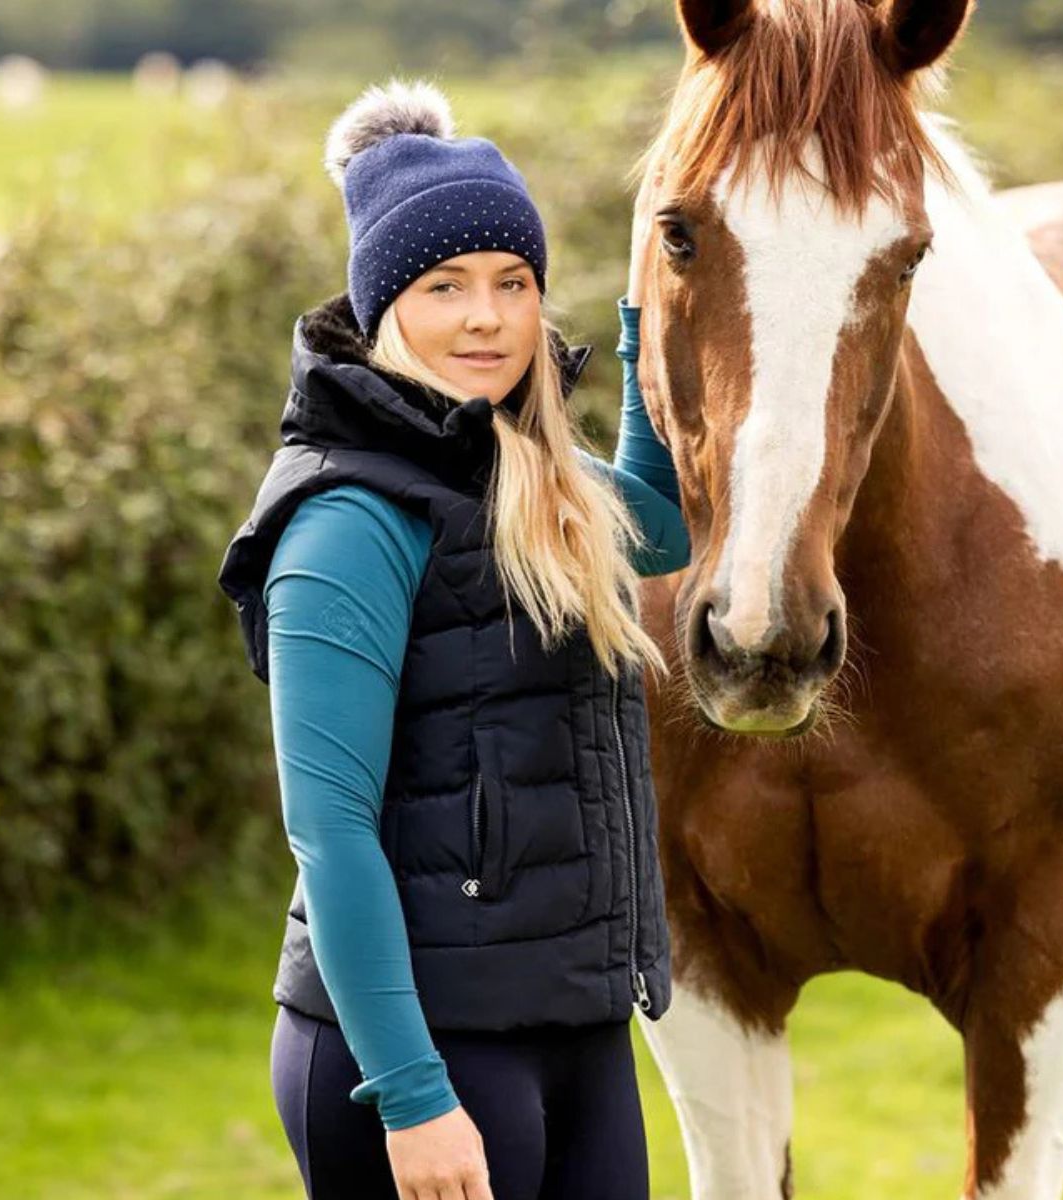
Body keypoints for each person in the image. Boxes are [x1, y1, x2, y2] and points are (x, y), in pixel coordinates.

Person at [217, 77, 690, 1200]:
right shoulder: (347, 520)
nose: (488, 317)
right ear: (384, 310)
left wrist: (650, 342)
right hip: (421, 1048)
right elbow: (328, 835)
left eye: (512, 283)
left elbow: (659, 528)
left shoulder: (533, 478)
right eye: (445, 286)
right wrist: (414, 1095)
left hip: (570, 1019)